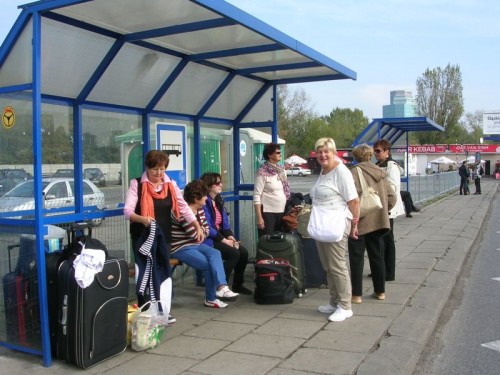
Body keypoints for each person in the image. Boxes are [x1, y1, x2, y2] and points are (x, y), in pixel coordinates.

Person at [124, 150, 204, 323]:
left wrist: (196, 225)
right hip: (142, 236)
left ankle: (163, 311)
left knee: (163, 272)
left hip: (164, 237)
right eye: (155, 169)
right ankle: (146, 312)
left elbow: (183, 208)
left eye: (162, 169)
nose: (159, 173)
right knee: (145, 273)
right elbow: (128, 211)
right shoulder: (136, 184)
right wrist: (143, 219)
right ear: (147, 167)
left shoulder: (170, 184)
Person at [311, 137, 360, 322]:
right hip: (322, 223)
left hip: (337, 224)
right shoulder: (324, 172)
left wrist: (355, 225)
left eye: (326, 151)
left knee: (337, 265)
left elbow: (354, 201)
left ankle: (345, 306)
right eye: (319, 151)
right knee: (327, 266)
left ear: (334, 153)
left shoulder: (341, 172)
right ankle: (334, 301)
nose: (323, 155)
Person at [170, 180, 239, 308]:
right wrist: (201, 231)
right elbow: (194, 234)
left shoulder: (200, 209)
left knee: (216, 253)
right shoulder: (180, 212)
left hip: (197, 244)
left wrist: (201, 230)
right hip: (181, 247)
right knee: (208, 265)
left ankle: (222, 287)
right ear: (196, 198)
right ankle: (211, 299)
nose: (206, 198)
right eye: (204, 196)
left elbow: (206, 229)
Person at [348, 144, 396, 303]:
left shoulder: (354, 172)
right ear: (370, 156)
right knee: (377, 257)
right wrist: (382, 210)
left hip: (359, 222)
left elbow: (350, 197)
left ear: (355, 157)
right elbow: (392, 197)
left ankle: (356, 295)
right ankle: (380, 291)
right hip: (378, 222)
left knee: (356, 258)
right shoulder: (381, 172)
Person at [200, 172, 252, 295]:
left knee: (243, 252)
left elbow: (225, 223)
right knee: (233, 253)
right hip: (209, 239)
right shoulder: (204, 201)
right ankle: (221, 286)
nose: (221, 185)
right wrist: (225, 241)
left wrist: (230, 237)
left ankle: (238, 284)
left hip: (220, 236)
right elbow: (208, 227)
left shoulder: (218, 200)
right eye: (217, 183)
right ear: (209, 186)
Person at [373, 139, 406, 282]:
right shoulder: (378, 165)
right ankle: (381, 267)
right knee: (380, 239)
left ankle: (389, 271)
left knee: (387, 239)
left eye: (379, 151)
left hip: (388, 206)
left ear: (387, 152)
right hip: (380, 206)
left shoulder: (391, 166)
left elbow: (392, 187)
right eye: (375, 151)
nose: (376, 153)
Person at [253, 143, 290, 237]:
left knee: (282, 241)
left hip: (282, 211)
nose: (280, 154)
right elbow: (257, 195)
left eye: (280, 152)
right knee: (268, 241)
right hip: (268, 213)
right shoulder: (262, 172)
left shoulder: (281, 170)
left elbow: (285, 189)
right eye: (277, 152)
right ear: (269, 155)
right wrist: (260, 218)